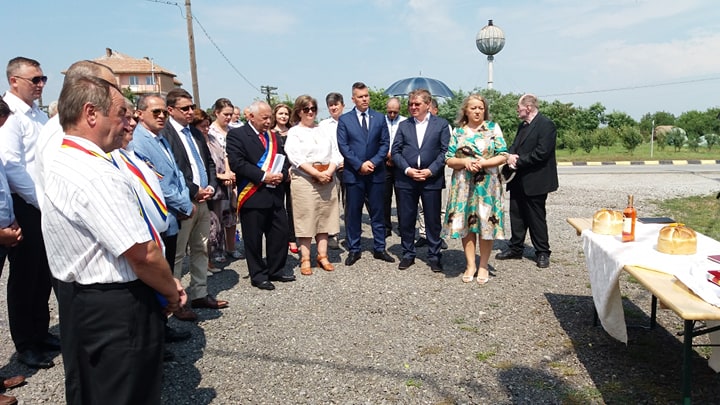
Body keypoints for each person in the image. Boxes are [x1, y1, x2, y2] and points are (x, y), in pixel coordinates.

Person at [43, 73, 185, 405]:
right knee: (124, 393)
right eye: (121, 113)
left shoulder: (64, 158)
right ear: (91, 114)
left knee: (93, 390)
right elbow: (142, 254)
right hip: (116, 309)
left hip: (85, 302)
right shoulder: (97, 174)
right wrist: (170, 291)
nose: (128, 122)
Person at [0, 57, 56, 369]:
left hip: (42, 203)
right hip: (25, 203)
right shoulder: (10, 115)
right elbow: (12, 166)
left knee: (42, 274)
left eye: (42, 79)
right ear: (14, 81)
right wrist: (40, 201)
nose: (41, 85)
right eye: (35, 79)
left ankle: (40, 331)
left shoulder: (37, 114)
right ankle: (26, 343)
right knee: (24, 277)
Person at [128, 93, 195, 341]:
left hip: (172, 217)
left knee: (166, 270)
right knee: (155, 278)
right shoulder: (139, 141)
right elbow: (159, 184)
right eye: (155, 112)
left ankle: (162, 328)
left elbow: (176, 174)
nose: (161, 116)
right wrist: (184, 204)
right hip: (159, 217)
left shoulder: (161, 138)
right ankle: (155, 334)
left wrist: (184, 200)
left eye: (164, 112)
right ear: (139, 114)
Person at [161, 88, 228, 320]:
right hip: (182, 203)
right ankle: (176, 301)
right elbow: (172, 170)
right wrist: (193, 191)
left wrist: (210, 186)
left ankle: (200, 293)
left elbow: (208, 162)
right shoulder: (165, 134)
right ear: (171, 110)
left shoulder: (195, 133)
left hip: (203, 200)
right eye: (185, 108)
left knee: (201, 247)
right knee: (178, 254)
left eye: (192, 107)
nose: (190, 111)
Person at [227, 101, 294, 290]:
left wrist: (282, 174)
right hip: (253, 195)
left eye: (270, 118)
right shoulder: (237, 135)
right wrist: (264, 176)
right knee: (253, 239)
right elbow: (237, 163)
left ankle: (276, 270)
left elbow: (283, 159)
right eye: (264, 118)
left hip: (275, 193)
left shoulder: (274, 136)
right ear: (251, 117)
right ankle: (258, 275)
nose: (268, 121)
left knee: (279, 234)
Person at [443, 94, 508, 284]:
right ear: (466, 111)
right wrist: (465, 162)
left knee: (486, 223)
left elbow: (503, 154)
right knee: (467, 223)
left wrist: (484, 163)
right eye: (473, 108)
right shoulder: (458, 132)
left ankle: (484, 265)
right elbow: (448, 159)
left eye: (481, 108)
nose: (477, 111)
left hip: (487, 185)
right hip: (463, 184)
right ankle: (470, 264)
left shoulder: (493, 128)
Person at [495, 93, 558, 268]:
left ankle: (542, 252)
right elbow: (515, 146)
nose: (517, 110)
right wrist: (509, 156)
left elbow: (542, 152)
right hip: (518, 179)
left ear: (528, 108)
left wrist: (518, 161)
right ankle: (516, 248)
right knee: (516, 215)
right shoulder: (522, 126)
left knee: (536, 217)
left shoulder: (546, 125)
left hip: (536, 180)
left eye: (519, 107)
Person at [391, 89, 450, 272]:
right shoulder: (404, 125)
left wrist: (430, 170)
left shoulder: (441, 124)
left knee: (433, 220)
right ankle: (408, 254)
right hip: (406, 179)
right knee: (406, 219)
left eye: (417, 104)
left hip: (431, 179)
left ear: (428, 104)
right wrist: (408, 170)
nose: (413, 107)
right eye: (410, 104)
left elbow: (445, 151)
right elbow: (395, 151)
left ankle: (434, 256)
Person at [337, 82, 395, 266]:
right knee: (353, 213)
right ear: (353, 99)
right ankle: (354, 249)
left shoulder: (379, 118)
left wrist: (373, 162)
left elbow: (385, 143)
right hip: (354, 174)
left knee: (378, 212)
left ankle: (380, 248)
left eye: (366, 96)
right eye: (360, 96)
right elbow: (343, 146)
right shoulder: (345, 120)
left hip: (376, 173)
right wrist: (359, 165)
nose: (364, 99)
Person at [284, 95, 341, 275]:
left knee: (325, 216)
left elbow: (336, 153)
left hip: (327, 177)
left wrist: (328, 172)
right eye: (306, 109)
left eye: (313, 109)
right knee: (306, 218)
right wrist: (316, 173)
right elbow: (295, 157)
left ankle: (322, 256)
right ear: (299, 111)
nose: (310, 112)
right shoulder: (294, 132)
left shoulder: (323, 130)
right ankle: (305, 258)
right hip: (305, 179)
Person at [205, 99, 243, 264]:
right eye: (225, 114)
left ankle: (231, 247)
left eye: (230, 114)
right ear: (217, 113)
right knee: (217, 217)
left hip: (234, 178)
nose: (228, 117)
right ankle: (216, 249)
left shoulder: (234, 130)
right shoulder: (210, 132)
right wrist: (222, 175)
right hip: (218, 179)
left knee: (232, 216)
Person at [318, 92, 345, 250]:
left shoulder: (350, 121)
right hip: (330, 168)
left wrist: (347, 161)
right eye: (330, 105)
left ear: (343, 105)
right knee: (331, 202)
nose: (334, 108)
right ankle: (332, 234)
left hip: (349, 166)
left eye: (336, 104)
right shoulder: (323, 125)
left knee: (350, 202)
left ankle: (351, 233)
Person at [271, 103, 298, 254]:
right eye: (280, 113)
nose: (283, 116)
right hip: (276, 174)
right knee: (278, 207)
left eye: (286, 114)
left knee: (292, 207)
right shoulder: (269, 133)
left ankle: (292, 238)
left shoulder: (293, 132)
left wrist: (291, 169)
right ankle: (280, 237)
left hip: (293, 172)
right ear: (275, 115)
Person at [383, 97, 406, 238]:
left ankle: (403, 226)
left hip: (400, 163)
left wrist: (395, 156)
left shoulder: (405, 122)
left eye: (395, 112)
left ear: (399, 110)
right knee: (384, 197)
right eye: (390, 112)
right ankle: (386, 226)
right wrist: (386, 154)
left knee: (402, 196)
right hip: (384, 162)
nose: (392, 115)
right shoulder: (381, 121)